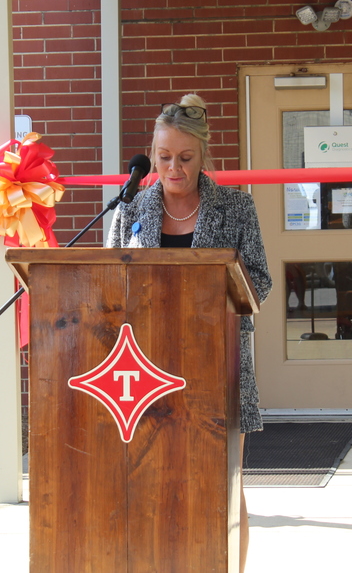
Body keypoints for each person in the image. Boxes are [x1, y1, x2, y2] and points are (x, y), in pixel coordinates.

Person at [106, 93, 272, 573]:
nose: (173, 168)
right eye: (163, 158)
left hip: (214, 368)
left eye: (184, 158)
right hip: (143, 371)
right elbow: (107, 281)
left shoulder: (237, 209)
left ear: (203, 155)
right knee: (150, 482)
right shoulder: (131, 207)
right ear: (150, 155)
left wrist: (210, 295)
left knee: (221, 483)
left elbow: (258, 280)